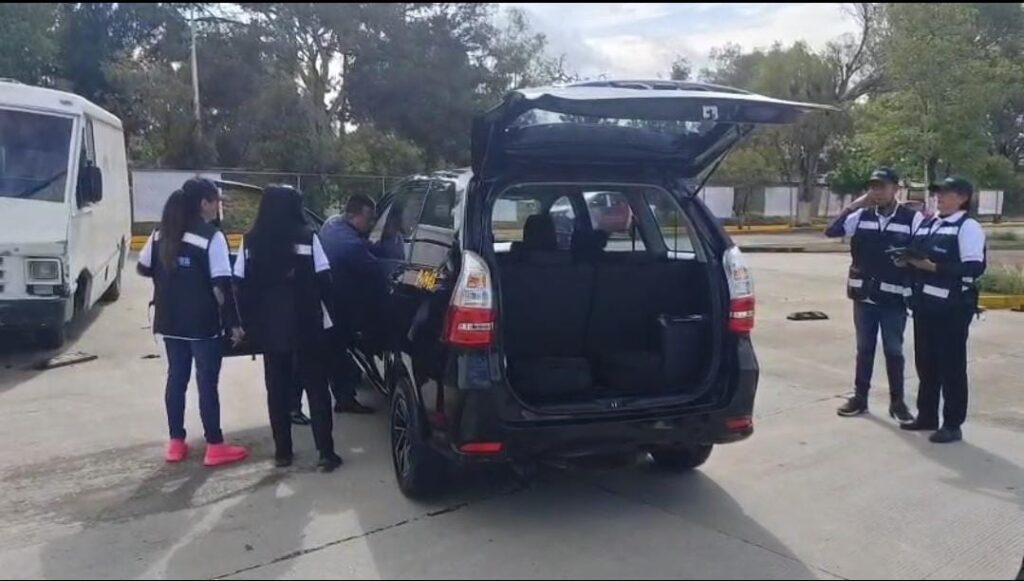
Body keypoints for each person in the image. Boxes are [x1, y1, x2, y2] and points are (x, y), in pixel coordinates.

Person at [137, 179, 249, 467]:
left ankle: (176, 443)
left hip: (169, 321)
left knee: (176, 379)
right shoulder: (211, 237)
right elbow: (221, 286)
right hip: (202, 324)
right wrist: (234, 325)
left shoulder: (161, 233)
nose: (218, 206)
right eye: (216, 201)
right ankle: (215, 445)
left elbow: (143, 266)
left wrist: (171, 278)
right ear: (204, 203)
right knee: (207, 382)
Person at [234, 185, 343, 472]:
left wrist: (247, 322)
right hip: (307, 323)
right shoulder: (308, 237)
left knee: (277, 390)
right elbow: (325, 279)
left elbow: (239, 282)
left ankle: (283, 452)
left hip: (269, 328)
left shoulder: (250, 241)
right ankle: (325, 453)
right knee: (317, 389)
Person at [826, 168, 921, 423]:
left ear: (895, 189)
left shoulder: (911, 219)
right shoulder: (862, 216)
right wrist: (854, 205)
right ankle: (860, 398)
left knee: (894, 350)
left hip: (893, 299)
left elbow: (921, 251)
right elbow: (832, 231)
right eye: (873, 187)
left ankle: (897, 403)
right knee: (864, 349)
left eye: (882, 187)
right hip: (863, 296)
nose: (877, 192)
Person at [898, 177, 987, 444]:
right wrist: (907, 260)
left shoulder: (968, 226)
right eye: (938, 193)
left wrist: (933, 267)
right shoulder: (931, 222)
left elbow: (974, 267)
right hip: (925, 306)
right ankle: (927, 416)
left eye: (946, 193)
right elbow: (918, 254)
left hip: (953, 309)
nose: (940, 197)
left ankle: (952, 424)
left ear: (962, 198)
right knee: (926, 364)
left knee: (951, 367)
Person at [318, 194, 386, 415]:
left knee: (337, 350)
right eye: (369, 218)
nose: (372, 223)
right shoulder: (350, 245)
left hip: (329, 300)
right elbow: (379, 271)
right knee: (340, 350)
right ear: (351, 216)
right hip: (341, 305)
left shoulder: (331, 224)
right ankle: (345, 399)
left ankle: (348, 384)